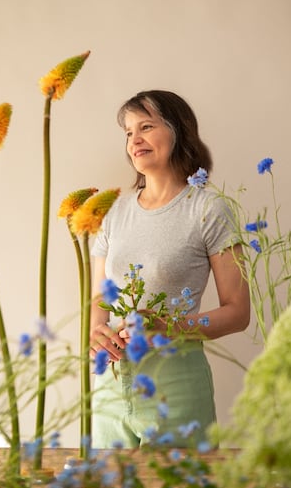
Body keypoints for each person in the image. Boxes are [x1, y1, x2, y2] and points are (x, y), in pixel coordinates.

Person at [89, 90, 250, 448]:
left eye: (146, 126)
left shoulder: (209, 209)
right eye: (129, 132)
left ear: (180, 131)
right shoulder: (114, 211)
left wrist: (167, 327)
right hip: (110, 387)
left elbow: (238, 314)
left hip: (175, 387)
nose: (135, 139)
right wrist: (97, 332)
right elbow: (99, 299)